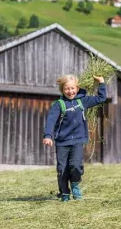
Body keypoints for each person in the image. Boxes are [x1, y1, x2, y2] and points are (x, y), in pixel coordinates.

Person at [43, 74, 106, 202]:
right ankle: (64, 193)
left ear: (77, 88)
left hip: (77, 140)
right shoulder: (58, 104)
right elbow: (51, 121)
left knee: (76, 166)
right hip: (62, 142)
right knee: (62, 169)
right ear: (62, 90)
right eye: (67, 89)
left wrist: (102, 83)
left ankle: (75, 184)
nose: (70, 91)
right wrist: (48, 135)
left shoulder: (82, 101)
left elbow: (101, 98)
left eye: (72, 88)